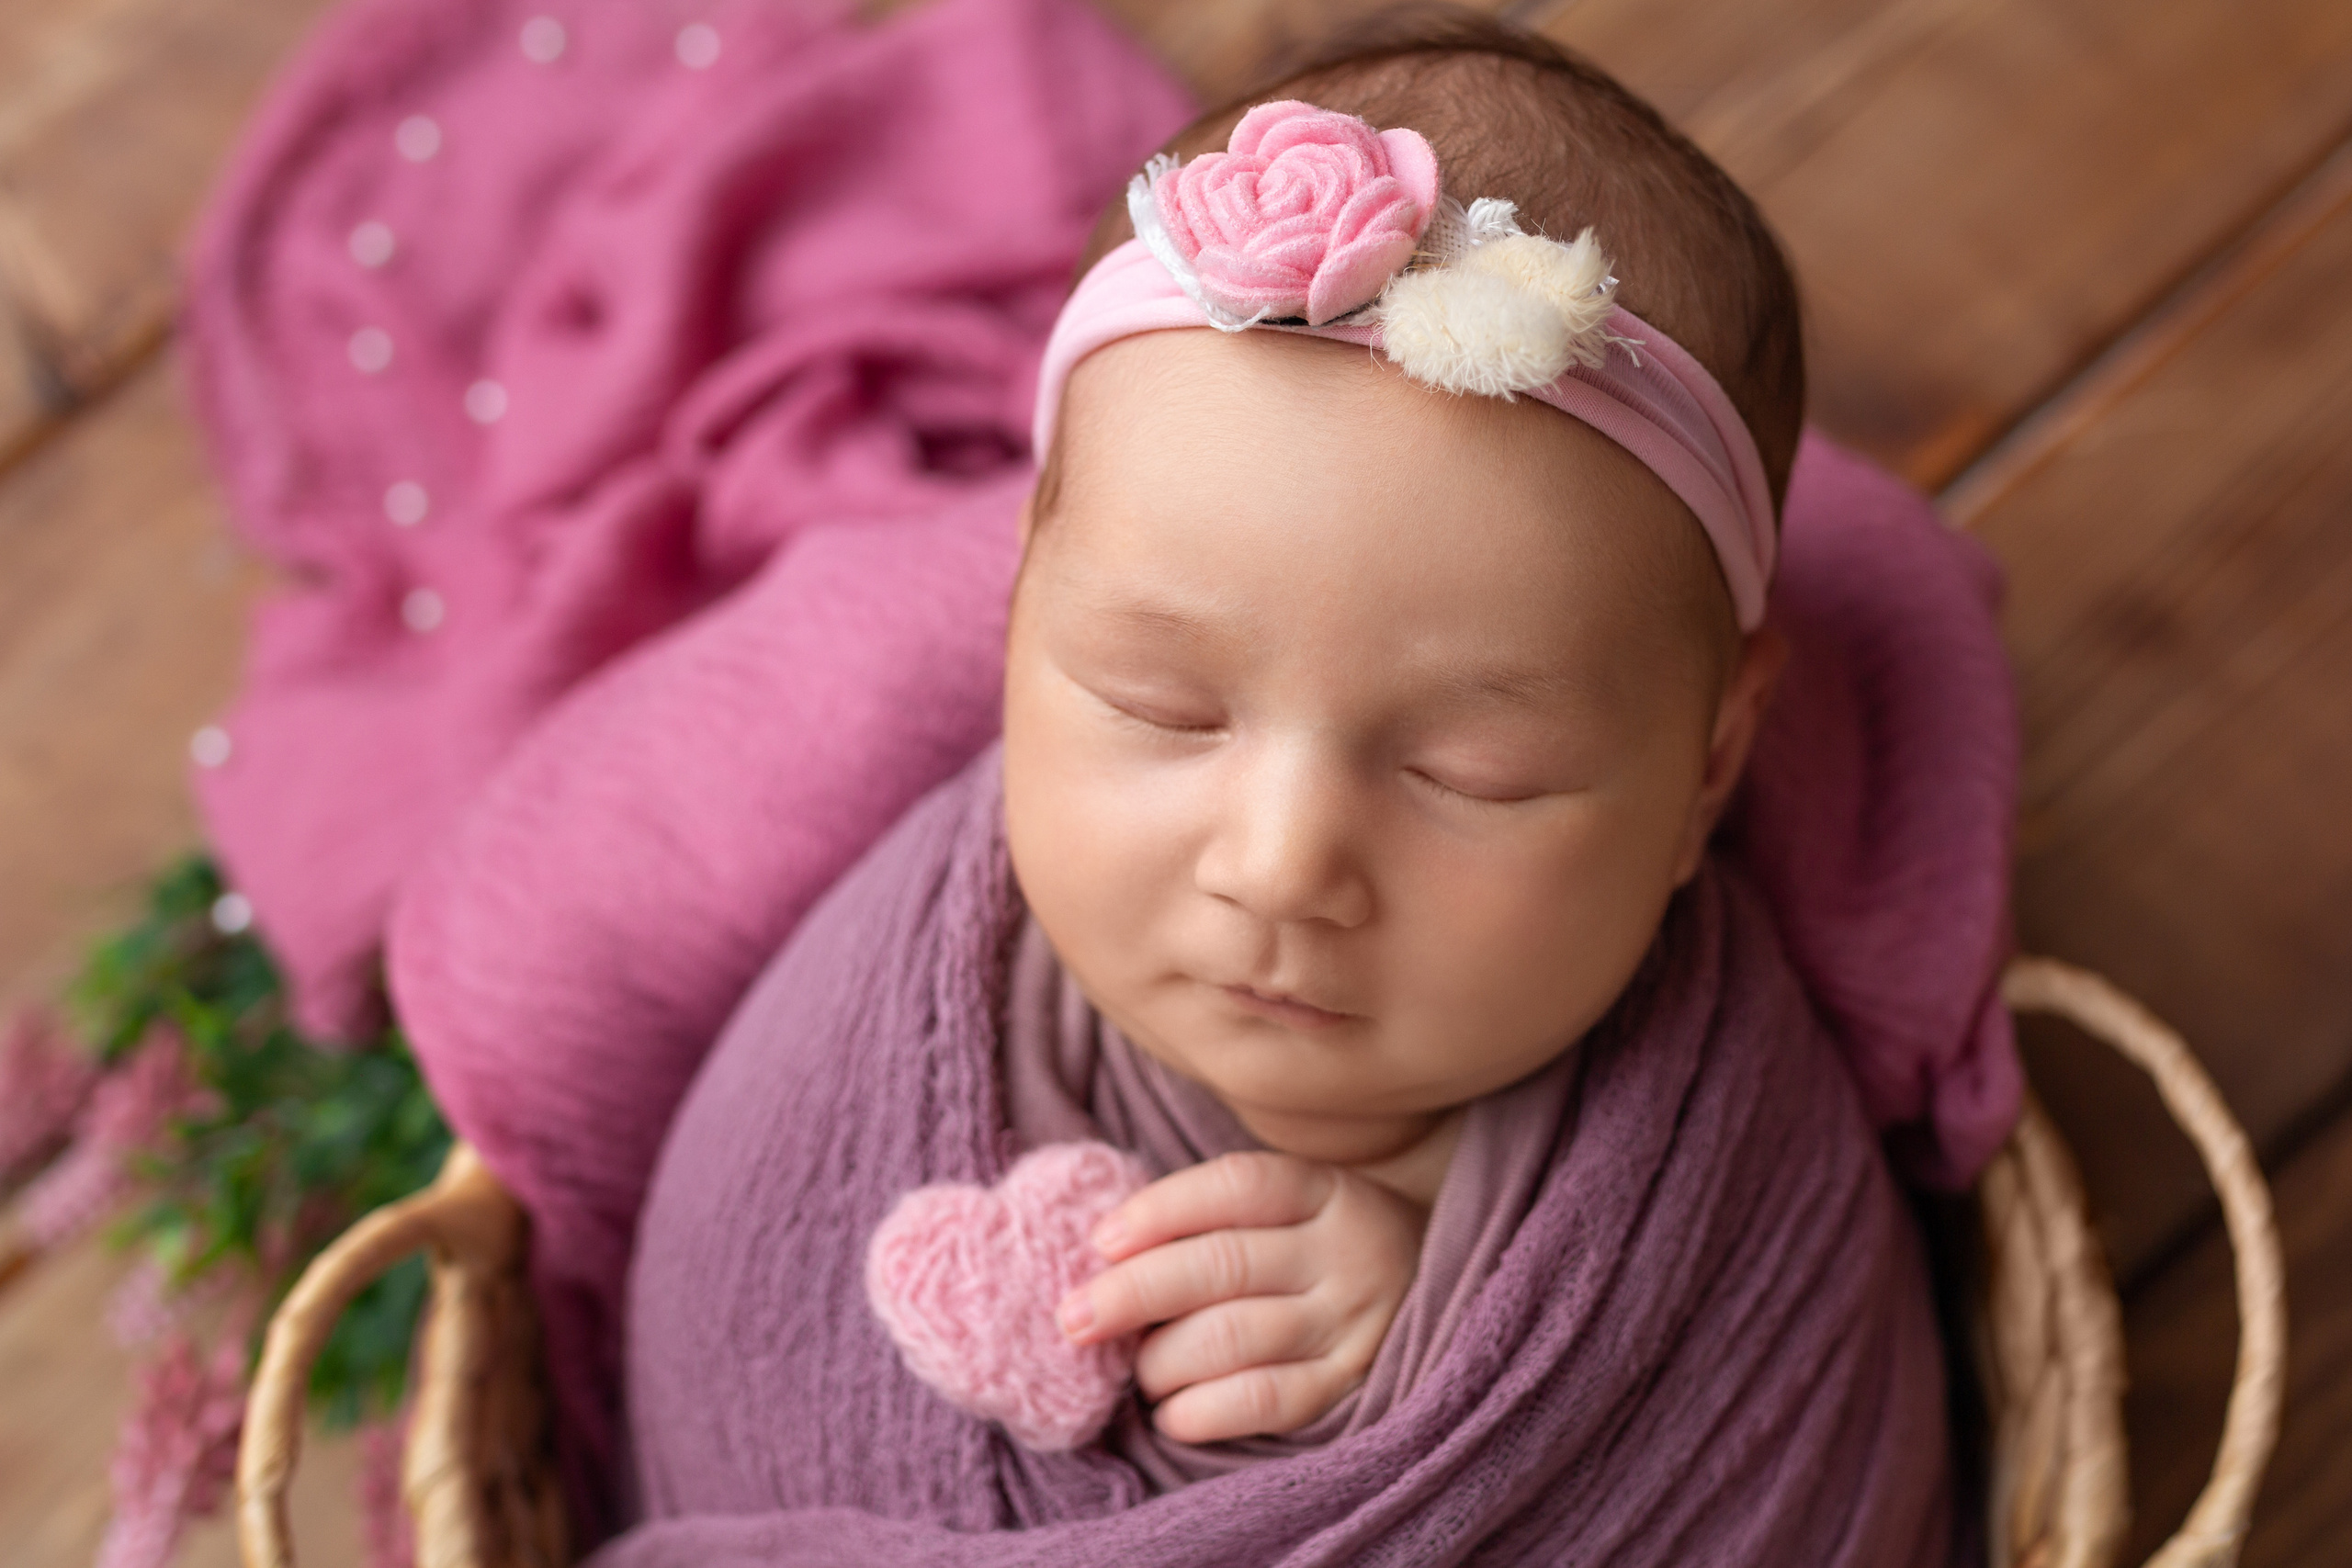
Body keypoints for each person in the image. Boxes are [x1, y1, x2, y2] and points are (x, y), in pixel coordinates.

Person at [605, 17, 1994, 1565]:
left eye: (1474, 773)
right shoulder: (879, 1010)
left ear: (1707, 772)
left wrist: (1430, 1324)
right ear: (1015, 620)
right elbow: (731, 1325)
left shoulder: (1724, 1167)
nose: (1279, 866)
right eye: (1160, 705)